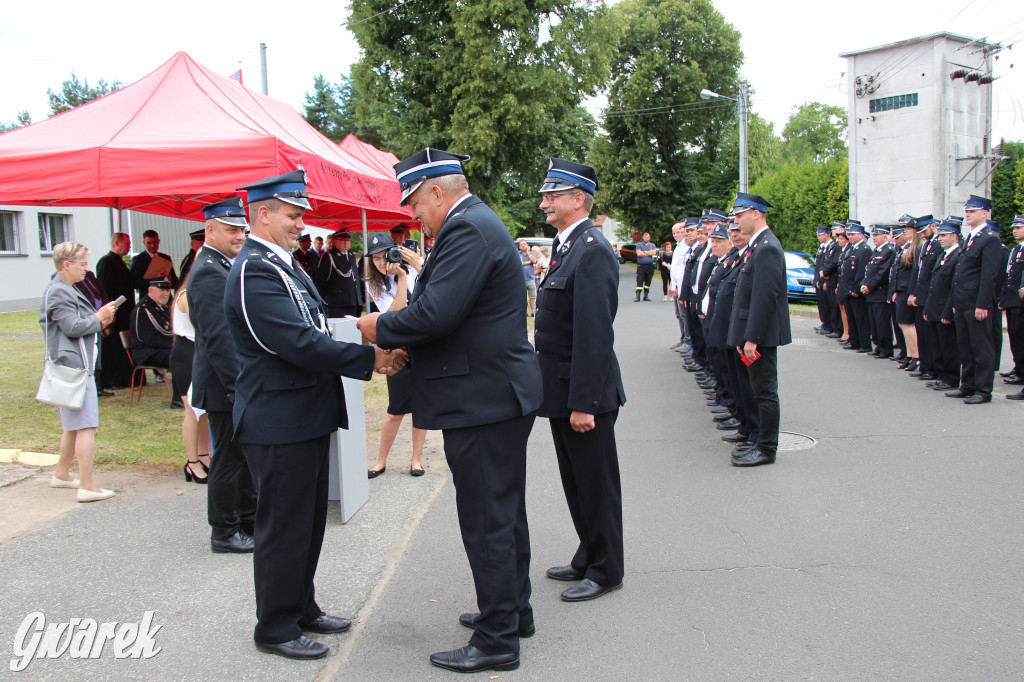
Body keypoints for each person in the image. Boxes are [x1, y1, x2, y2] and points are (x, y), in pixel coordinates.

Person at [357, 148, 541, 674]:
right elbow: (453, 312)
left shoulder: (467, 229)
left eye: (414, 201)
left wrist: (378, 329)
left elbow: (437, 312)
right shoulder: (471, 225)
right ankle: (511, 610)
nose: (412, 215)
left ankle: (497, 638)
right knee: (502, 513)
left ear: (437, 191)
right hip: (489, 393)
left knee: (487, 519)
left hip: (483, 398)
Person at [225, 171, 401, 661]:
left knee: (306, 523)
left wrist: (363, 331)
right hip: (278, 419)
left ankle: (301, 606)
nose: (302, 224)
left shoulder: (285, 264)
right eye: (292, 215)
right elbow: (292, 342)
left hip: (304, 413)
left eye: (301, 215)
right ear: (262, 213)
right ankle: (276, 626)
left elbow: (316, 324)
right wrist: (370, 359)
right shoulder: (254, 269)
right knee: (283, 526)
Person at [533, 158, 625, 605]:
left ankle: (607, 568)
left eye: (554, 195)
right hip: (562, 390)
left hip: (584, 395)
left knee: (596, 483)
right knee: (576, 482)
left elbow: (594, 334)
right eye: (546, 194)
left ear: (578, 199)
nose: (544, 201)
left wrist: (584, 403)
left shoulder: (592, 249)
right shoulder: (567, 245)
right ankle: (589, 552)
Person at [187, 198, 257, 554]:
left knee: (240, 458)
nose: (240, 235)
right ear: (210, 230)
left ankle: (245, 522)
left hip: (229, 384)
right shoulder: (209, 271)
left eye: (242, 229)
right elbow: (219, 341)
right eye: (231, 229)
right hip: (225, 386)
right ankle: (225, 531)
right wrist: (238, 389)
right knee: (228, 461)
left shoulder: (221, 265)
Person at [40, 242, 120, 502]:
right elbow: (72, 327)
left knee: (72, 426)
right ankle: (87, 486)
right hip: (74, 367)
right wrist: (99, 317)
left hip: (74, 365)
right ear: (66, 265)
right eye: (83, 264)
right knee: (86, 426)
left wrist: (101, 319)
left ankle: (62, 474)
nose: (87, 269)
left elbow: (78, 325)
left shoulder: (65, 288)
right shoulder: (59, 291)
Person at [726, 193, 791, 467]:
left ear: (756, 213)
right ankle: (759, 442)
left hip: (759, 337)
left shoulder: (767, 247)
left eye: (740, 215)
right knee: (757, 389)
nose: (736, 221)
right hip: (752, 335)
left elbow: (765, 299)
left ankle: (766, 449)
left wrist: (752, 338)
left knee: (764, 391)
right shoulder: (758, 245)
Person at [364, 232, 427, 478]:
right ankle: (381, 460)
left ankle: (416, 459)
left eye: (386, 256)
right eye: (377, 259)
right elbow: (392, 316)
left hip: (422, 344)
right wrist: (401, 278)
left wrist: (416, 267)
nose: (382, 263)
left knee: (421, 406)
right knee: (396, 407)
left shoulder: (413, 269)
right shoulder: (374, 283)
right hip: (398, 348)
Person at [947, 195, 1003, 404]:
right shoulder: (971, 237)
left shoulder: (989, 238)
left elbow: (989, 275)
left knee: (981, 348)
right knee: (966, 347)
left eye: (973, 211)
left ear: (984, 213)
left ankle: (983, 390)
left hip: (976, 303)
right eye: (967, 211)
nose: (968, 214)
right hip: (962, 301)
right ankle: (968, 385)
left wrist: (983, 304)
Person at [168, 270, 211, 483]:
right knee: (191, 411)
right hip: (186, 353)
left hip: (198, 351)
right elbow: (201, 324)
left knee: (203, 410)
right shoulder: (185, 295)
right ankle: (192, 462)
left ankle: (205, 455)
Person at [923, 219, 963, 392]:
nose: (940, 238)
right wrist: (927, 308)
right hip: (934, 307)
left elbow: (953, 287)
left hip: (945, 308)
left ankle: (951, 377)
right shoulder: (943, 255)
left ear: (954, 236)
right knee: (937, 344)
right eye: (939, 235)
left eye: (944, 235)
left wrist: (948, 312)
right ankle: (941, 375)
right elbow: (934, 284)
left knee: (948, 347)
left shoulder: (958, 255)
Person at [95, 232, 135, 389]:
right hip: (115, 313)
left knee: (122, 347)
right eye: (127, 243)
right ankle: (113, 380)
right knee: (113, 347)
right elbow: (104, 288)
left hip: (125, 312)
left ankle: (124, 378)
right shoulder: (106, 261)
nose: (129, 246)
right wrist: (110, 310)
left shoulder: (120, 261)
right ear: (117, 243)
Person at [861, 226, 895, 358]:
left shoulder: (888, 251)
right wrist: (864, 284)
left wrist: (869, 286)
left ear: (886, 235)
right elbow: (869, 270)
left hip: (880, 292)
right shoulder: (877, 251)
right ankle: (878, 346)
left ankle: (886, 348)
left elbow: (883, 273)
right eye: (873, 235)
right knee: (874, 323)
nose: (874, 237)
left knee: (882, 322)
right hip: (871, 293)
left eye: (878, 235)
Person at [1000, 214, 1024, 398]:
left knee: (1020, 337)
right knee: (1015, 337)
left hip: (1020, 300)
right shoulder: (1016, 250)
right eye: (1013, 228)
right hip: (1012, 299)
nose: (1015, 231)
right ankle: (1019, 368)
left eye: (1019, 227)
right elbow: (1009, 275)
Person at [315, 230, 363, 318]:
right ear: (335, 241)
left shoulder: (351, 256)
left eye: (348, 241)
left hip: (353, 300)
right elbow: (322, 280)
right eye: (342, 240)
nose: (346, 243)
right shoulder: (329, 256)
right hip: (338, 302)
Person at [129, 278, 174, 370]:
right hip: (146, 353)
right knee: (181, 356)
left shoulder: (163, 307)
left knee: (186, 352)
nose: (165, 294)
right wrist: (174, 344)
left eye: (168, 290)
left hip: (161, 349)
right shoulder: (143, 309)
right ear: (150, 290)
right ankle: (182, 384)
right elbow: (149, 338)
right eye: (162, 290)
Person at [129, 229, 178, 296]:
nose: (152, 246)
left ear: (159, 241)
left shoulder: (166, 258)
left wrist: (170, 279)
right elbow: (135, 283)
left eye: (155, 242)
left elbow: (175, 282)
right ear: (144, 242)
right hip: (148, 298)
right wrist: (156, 281)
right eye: (149, 243)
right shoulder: (138, 260)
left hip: (165, 298)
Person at [518, 239, 539, 316]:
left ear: (527, 245)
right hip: (521, 278)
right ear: (519, 247)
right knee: (523, 296)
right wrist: (528, 262)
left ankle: (533, 311)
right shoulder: (517, 254)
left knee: (532, 296)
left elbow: (534, 261)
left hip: (530, 278)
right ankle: (525, 311)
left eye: (524, 244)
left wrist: (528, 253)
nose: (523, 245)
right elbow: (519, 263)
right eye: (521, 244)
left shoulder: (532, 253)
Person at [635, 232, 657, 301]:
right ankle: (638, 296)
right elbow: (639, 254)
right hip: (641, 266)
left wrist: (644, 252)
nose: (646, 238)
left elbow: (654, 252)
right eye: (645, 237)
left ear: (649, 238)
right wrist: (649, 252)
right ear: (643, 237)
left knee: (648, 281)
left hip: (650, 266)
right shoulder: (639, 245)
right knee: (640, 280)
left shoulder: (652, 245)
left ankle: (646, 295)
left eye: (647, 237)